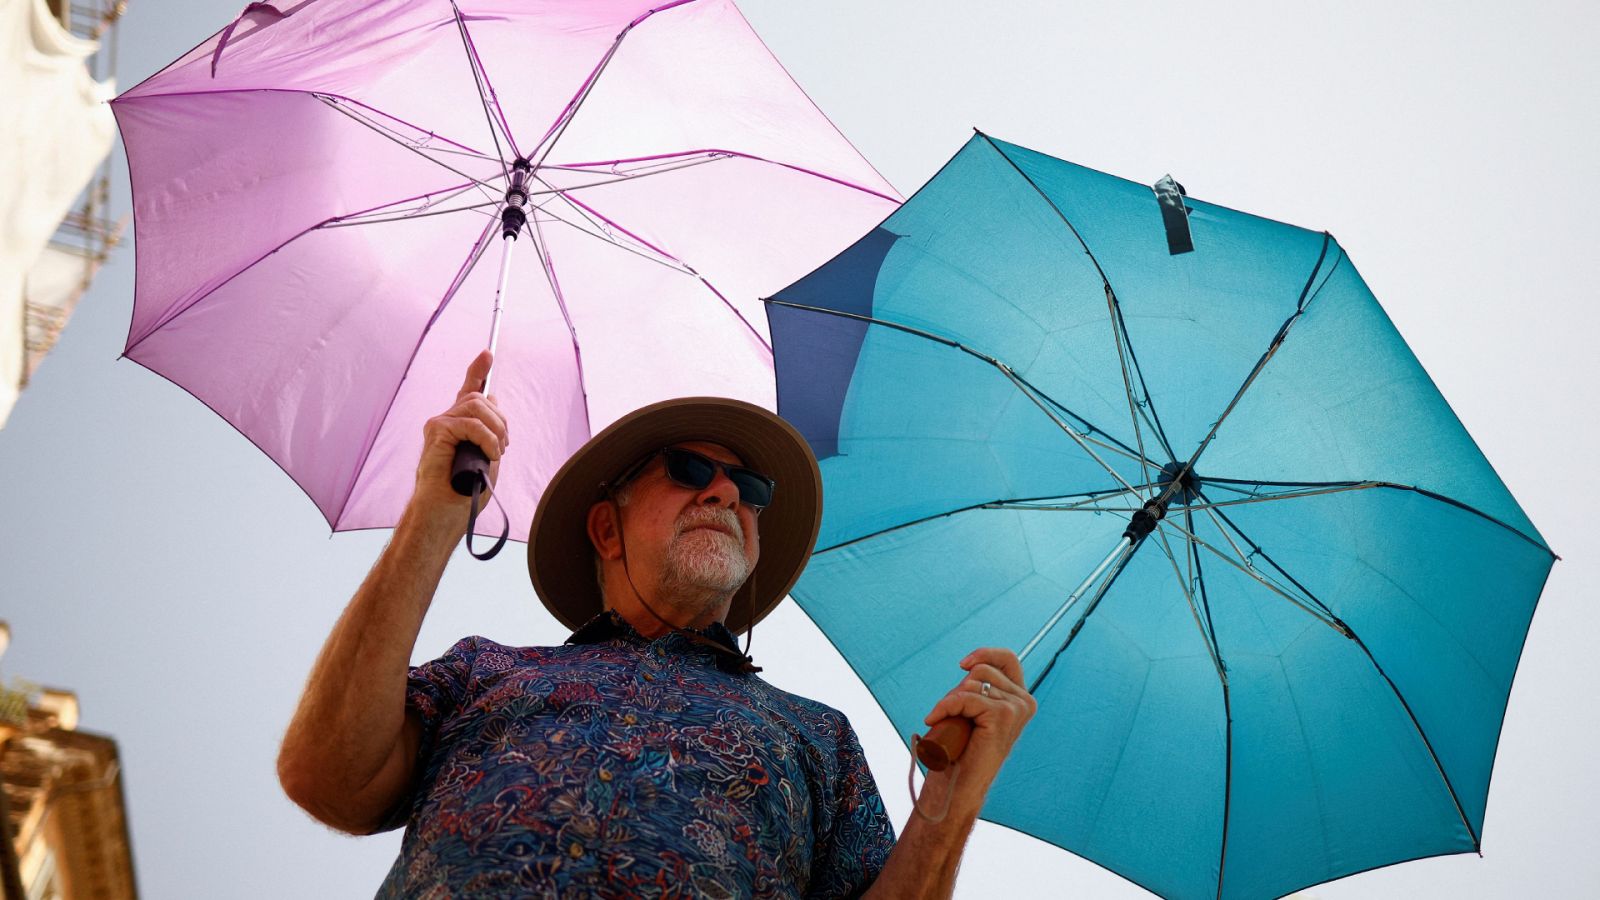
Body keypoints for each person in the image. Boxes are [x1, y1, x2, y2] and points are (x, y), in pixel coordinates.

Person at [278, 352, 1036, 898]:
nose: (724, 495)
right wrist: (434, 517)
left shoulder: (819, 740)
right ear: (606, 530)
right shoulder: (486, 672)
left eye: (749, 487)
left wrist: (952, 800)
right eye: (688, 471)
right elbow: (328, 779)